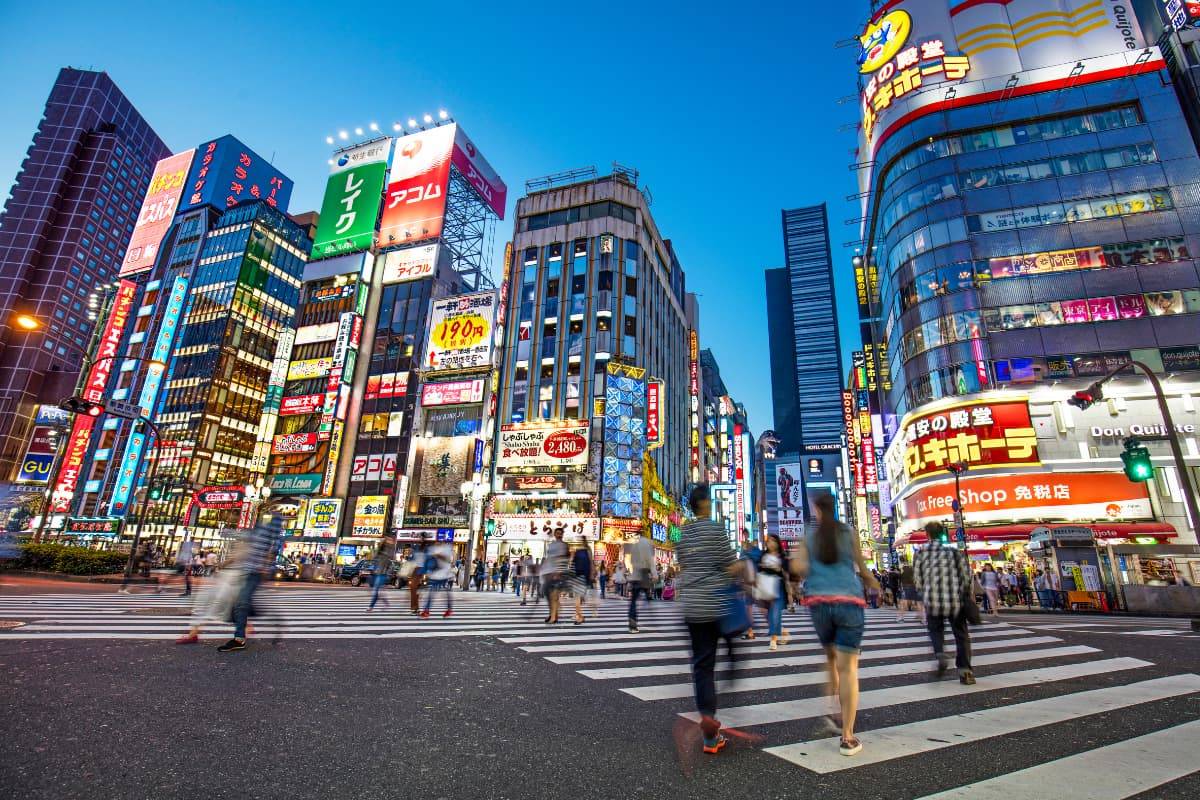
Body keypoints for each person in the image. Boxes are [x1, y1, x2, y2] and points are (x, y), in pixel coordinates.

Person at [789, 494, 879, 757]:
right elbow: (862, 568)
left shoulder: (809, 535)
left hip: (819, 603)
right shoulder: (848, 532)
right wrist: (873, 583)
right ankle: (848, 736)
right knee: (848, 667)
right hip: (849, 601)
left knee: (830, 657)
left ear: (817, 510)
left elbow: (798, 567)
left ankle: (831, 708)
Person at [677, 483, 741, 755]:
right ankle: (732, 674)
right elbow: (729, 564)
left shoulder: (683, 532)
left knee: (702, 665)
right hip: (716, 604)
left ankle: (709, 733)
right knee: (730, 649)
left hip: (693, 607)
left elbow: (684, 564)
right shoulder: (715, 529)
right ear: (705, 504)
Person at [914, 521, 975, 685]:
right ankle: (965, 671)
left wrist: (926, 592)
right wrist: (963, 592)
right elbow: (966, 577)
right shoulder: (954, 552)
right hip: (955, 601)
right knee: (961, 636)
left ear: (927, 535)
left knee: (935, 631)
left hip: (932, 601)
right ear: (943, 533)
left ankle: (940, 653)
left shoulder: (920, 554)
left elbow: (918, 581)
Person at [220, 513, 283, 653]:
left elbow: (273, 549)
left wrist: (266, 567)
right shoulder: (259, 530)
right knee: (243, 603)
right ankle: (275, 621)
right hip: (248, 570)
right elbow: (246, 539)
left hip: (255, 572)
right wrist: (227, 530)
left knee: (241, 603)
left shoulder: (270, 532)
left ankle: (239, 638)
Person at [759, 534, 789, 651]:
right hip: (766, 587)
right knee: (769, 614)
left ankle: (773, 639)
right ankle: (783, 632)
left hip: (778, 587)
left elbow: (787, 571)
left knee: (775, 612)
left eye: (773, 541)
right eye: (769, 541)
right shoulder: (764, 555)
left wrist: (779, 569)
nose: (771, 543)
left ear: (777, 543)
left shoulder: (782, 556)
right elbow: (759, 570)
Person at [626, 533, 655, 633]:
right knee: (646, 597)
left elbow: (631, 561)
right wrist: (654, 574)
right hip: (643, 576)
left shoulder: (635, 546)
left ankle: (632, 623)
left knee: (633, 601)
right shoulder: (647, 544)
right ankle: (653, 617)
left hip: (634, 576)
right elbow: (650, 560)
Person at [542, 528, 570, 624]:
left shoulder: (563, 545)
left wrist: (559, 572)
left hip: (558, 573)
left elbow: (563, 558)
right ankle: (553, 614)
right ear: (555, 534)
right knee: (548, 595)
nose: (559, 535)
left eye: (560, 533)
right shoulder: (551, 545)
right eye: (557, 533)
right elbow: (548, 558)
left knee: (554, 596)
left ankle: (553, 616)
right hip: (548, 572)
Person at [421, 540, 454, 618]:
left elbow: (448, 560)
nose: (437, 542)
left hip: (444, 575)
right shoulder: (433, 548)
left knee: (445, 593)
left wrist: (437, 555)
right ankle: (426, 611)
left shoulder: (447, 548)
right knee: (433, 593)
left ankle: (448, 610)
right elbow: (428, 560)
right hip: (435, 575)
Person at [367, 541, 393, 612]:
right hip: (377, 575)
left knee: (377, 592)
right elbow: (375, 564)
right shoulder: (378, 555)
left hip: (382, 575)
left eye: (379, 546)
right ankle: (386, 603)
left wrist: (387, 573)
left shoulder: (384, 556)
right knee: (379, 592)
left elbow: (390, 565)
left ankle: (371, 607)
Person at [570, 544, 593, 625]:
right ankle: (578, 615)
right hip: (581, 580)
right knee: (578, 600)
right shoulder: (585, 559)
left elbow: (571, 569)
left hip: (577, 580)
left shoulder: (576, 558)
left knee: (577, 600)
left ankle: (579, 617)